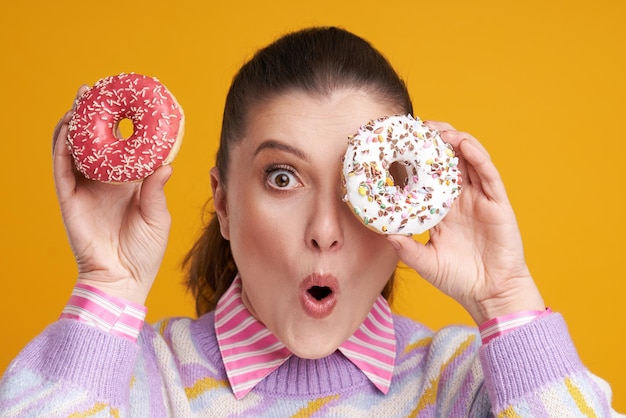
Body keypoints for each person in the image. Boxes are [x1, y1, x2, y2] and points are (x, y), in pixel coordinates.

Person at [0, 26, 620, 417]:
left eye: (362, 185)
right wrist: (106, 289)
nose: (325, 228)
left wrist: (507, 300)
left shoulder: (471, 383)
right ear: (222, 200)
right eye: (282, 178)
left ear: (409, 205)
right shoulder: (131, 378)